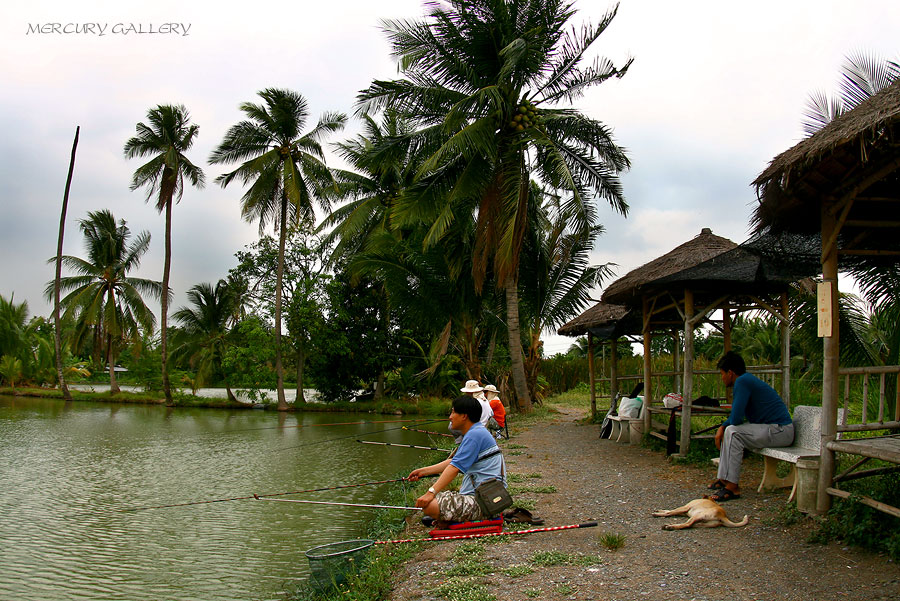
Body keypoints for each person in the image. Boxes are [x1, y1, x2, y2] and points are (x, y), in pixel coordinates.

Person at [708, 351, 794, 502]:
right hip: (774, 429)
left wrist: (722, 427)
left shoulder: (742, 381)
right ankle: (723, 479)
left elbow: (736, 418)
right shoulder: (745, 381)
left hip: (780, 430)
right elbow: (737, 417)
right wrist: (724, 427)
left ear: (730, 373)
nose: (722, 378)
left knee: (733, 432)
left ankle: (732, 487)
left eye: (722, 374)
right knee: (731, 430)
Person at [408, 395, 506, 525]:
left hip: (486, 501)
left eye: (453, 412)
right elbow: (453, 462)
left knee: (429, 506)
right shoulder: (476, 432)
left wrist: (430, 492)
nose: (450, 417)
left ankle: (478, 516)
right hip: (487, 497)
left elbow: (454, 468)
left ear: (464, 416)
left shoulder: (474, 435)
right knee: (433, 503)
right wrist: (423, 471)